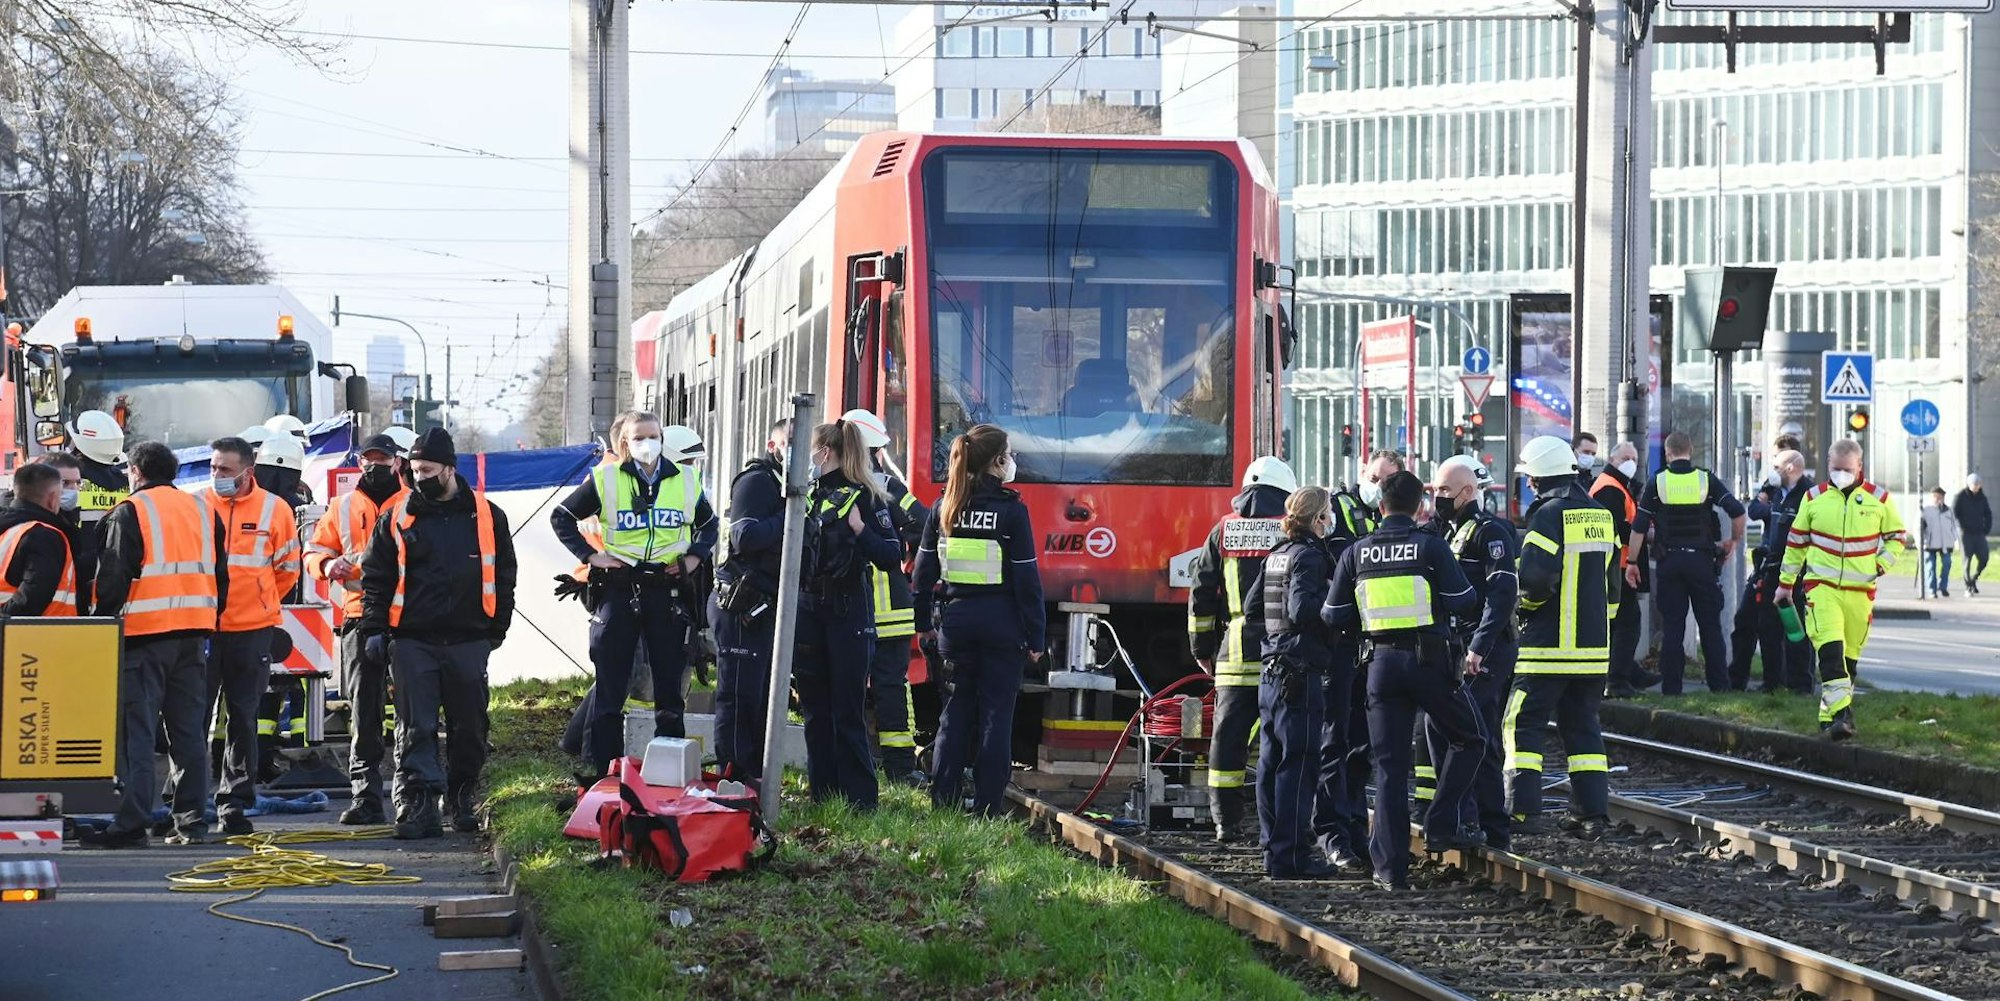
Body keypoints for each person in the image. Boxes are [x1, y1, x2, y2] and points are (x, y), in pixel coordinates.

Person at [1323, 471, 1483, 891]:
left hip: (1379, 666)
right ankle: (1439, 821)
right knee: (1471, 739)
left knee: (1390, 770)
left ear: (1380, 507)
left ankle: (1390, 871)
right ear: (1419, 507)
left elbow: (1333, 614)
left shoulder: (1356, 553)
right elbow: (1463, 601)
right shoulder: (1430, 547)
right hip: (1429, 664)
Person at [359, 428, 518, 838]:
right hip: (413, 639)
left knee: (470, 726)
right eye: (413, 469)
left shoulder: (487, 515)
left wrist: (495, 628)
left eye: (426, 469)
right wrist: (375, 628)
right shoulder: (396, 517)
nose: (418, 477)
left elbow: (504, 575)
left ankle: (462, 795)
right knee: (416, 727)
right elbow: (376, 577)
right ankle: (420, 805)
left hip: (468, 638)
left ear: (449, 468)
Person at [550, 412, 717, 777]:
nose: (647, 443)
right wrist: (591, 556)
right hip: (620, 588)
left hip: (665, 591)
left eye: (653, 435)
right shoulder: (606, 479)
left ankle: (670, 776)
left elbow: (710, 525)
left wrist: (691, 559)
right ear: (624, 443)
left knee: (670, 696)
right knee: (610, 692)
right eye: (639, 437)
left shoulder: (685, 479)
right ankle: (601, 775)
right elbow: (561, 516)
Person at [80, 442, 229, 848]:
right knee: (188, 734)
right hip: (193, 635)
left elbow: (112, 579)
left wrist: (100, 624)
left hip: (144, 637)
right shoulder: (203, 510)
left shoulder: (130, 511)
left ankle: (131, 823)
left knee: (139, 734)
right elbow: (221, 575)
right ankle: (192, 822)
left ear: (135, 471)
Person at [914, 424, 1043, 817]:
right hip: (1002, 626)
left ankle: (944, 802)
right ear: (997, 461)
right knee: (995, 718)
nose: (1013, 462)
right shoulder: (1012, 512)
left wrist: (924, 626)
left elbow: (921, 576)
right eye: (1009, 455)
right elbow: (1027, 581)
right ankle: (988, 807)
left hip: (956, 625)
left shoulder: (944, 508)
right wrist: (1037, 637)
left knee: (954, 714)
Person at [1508, 435, 1618, 837]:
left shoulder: (1548, 515)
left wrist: (1524, 613)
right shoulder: (1602, 516)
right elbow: (1614, 589)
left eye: (1530, 479)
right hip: (1592, 652)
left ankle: (1522, 811)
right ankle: (1592, 814)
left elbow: (1534, 580)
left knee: (1521, 725)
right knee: (1584, 730)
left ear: (1537, 479)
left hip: (1545, 651)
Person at [793, 421, 903, 810]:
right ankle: (823, 798)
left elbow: (892, 556)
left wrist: (859, 530)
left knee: (847, 710)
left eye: (811, 449)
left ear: (827, 451)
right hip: (808, 610)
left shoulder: (866, 497)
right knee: (814, 710)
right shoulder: (803, 496)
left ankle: (860, 801)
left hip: (847, 613)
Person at [1188, 455, 1295, 842]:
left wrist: (1202, 646)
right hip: (1283, 652)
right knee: (1278, 738)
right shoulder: (1291, 530)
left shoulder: (1223, 532)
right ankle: (1279, 821)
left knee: (1228, 739)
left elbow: (1200, 593)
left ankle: (1225, 821)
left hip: (1233, 653)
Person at [201, 436, 302, 836]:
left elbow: (287, 569)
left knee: (243, 718)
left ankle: (235, 802)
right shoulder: (198, 506)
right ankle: (184, 799)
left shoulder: (275, 510)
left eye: (224, 470)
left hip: (252, 630)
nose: (217, 476)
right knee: (192, 717)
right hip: (204, 628)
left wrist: (259, 605)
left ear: (248, 472)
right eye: (213, 468)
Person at [305, 433, 406, 825]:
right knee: (363, 710)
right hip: (359, 616)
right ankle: (366, 796)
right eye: (369, 460)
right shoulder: (342, 506)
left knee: (410, 712)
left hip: (404, 618)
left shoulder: (411, 504)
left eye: (382, 460)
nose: (374, 466)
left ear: (397, 463)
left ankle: (408, 796)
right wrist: (327, 567)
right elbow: (315, 549)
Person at [1422, 456, 1520, 849]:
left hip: (1488, 649)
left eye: (1444, 490)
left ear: (1468, 492)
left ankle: (1478, 823)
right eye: (1434, 490)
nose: (1438, 497)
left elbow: (1501, 596)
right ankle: (1479, 823)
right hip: (1454, 647)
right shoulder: (1440, 532)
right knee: (1455, 729)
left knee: (1471, 729)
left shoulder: (1490, 532)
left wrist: (1479, 647)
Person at [1777, 440, 1904, 741]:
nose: (1841, 474)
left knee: (1848, 661)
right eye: (1836, 469)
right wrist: (1785, 584)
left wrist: (1880, 565)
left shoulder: (1880, 499)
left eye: (1847, 469)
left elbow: (1897, 537)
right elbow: (1796, 543)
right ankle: (1844, 716)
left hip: (1860, 592)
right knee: (1831, 651)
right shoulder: (1814, 497)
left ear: (1860, 466)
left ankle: (1829, 718)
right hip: (1822, 589)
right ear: (1828, 466)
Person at [1247, 487, 1341, 877]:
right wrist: (1336, 612)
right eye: (1328, 513)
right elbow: (1303, 609)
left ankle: (1273, 849)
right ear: (1318, 518)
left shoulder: (1277, 556)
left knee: (1270, 763)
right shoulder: (1309, 557)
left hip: (1271, 674)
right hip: (1300, 676)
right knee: (1300, 766)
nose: (1330, 520)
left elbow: (1254, 608)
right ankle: (1293, 856)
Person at [841, 408, 930, 785]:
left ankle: (851, 762)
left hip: (848, 609)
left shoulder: (831, 488)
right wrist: (904, 544)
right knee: (892, 686)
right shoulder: (890, 488)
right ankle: (900, 768)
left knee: (845, 686)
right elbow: (925, 521)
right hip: (889, 608)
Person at [1626, 432, 1746, 694]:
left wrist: (1632, 561)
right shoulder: (1706, 480)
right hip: (1701, 562)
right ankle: (1720, 688)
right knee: (1711, 627)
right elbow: (1738, 511)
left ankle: (1672, 690)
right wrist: (1733, 542)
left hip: (1670, 562)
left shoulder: (1658, 482)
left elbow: (1638, 528)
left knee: (1673, 629)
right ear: (1690, 450)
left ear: (1668, 453)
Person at [710, 419, 792, 780]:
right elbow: (744, 536)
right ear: (772, 447)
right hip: (742, 604)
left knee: (761, 695)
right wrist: (788, 518)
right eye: (790, 443)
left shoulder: (789, 486)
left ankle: (753, 775)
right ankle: (733, 776)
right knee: (740, 696)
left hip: (766, 603)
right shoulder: (758, 481)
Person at [1730, 450, 1815, 693]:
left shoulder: (1808, 495)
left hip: (1797, 573)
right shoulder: (1777, 492)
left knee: (1795, 630)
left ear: (1790, 468)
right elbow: (1756, 511)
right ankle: (1772, 683)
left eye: (1776, 465)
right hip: (1770, 569)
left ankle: (1800, 686)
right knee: (1768, 628)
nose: (1772, 470)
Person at [1591, 442, 1656, 696]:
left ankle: (1628, 673)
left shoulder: (1615, 485)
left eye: (1634, 458)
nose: (1631, 462)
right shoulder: (1609, 488)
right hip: (1617, 566)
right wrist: (1643, 533)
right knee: (1628, 623)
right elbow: (1616, 528)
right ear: (1613, 459)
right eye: (1625, 457)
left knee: (1619, 624)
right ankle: (1617, 681)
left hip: (1618, 565)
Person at [0, 463, 81, 616]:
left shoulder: (8, 528)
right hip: (40, 634)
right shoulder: (43, 535)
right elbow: (33, 596)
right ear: (52, 498)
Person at [33, 453, 95, 602]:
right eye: (65, 483)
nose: (73, 490)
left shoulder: (67, 517)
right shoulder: (32, 525)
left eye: (77, 483)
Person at [1333, 449, 1401, 539]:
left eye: (1387, 483)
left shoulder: (1400, 514)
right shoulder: (1336, 506)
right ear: (1363, 472)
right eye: (1374, 479)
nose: (1378, 487)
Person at [1919, 487, 1959, 599]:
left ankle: (1943, 586)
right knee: (1930, 566)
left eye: (1940, 497)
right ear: (1931, 497)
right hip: (1930, 543)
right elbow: (1918, 527)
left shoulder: (1948, 511)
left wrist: (1955, 538)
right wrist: (1919, 542)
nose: (1938, 499)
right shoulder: (1925, 510)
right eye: (1936, 497)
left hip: (1946, 543)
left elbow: (1954, 525)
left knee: (1947, 563)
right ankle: (1932, 589)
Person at [1954, 474, 1990, 595]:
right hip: (1965, 534)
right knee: (1967, 560)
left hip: (1979, 533)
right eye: (1974, 484)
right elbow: (1955, 514)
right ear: (1969, 484)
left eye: (1978, 484)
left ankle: (1973, 579)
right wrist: (1960, 528)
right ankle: (1967, 586)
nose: (1976, 487)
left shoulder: (1982, 498)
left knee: (1984, 558)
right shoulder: (1960, 497)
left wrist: (1986, 529)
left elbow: (1988, 514)